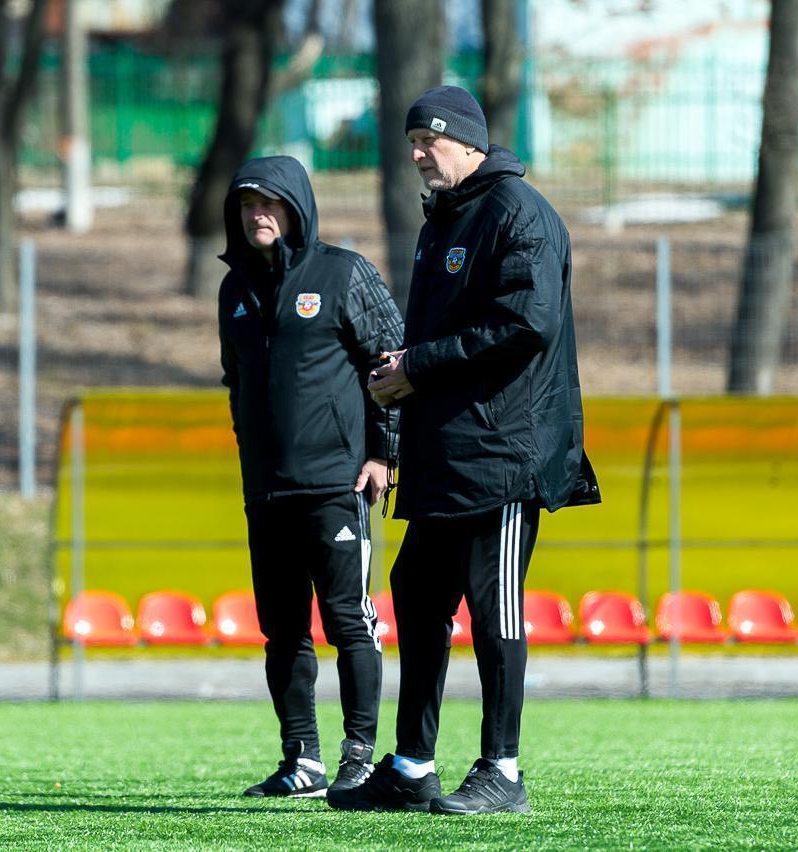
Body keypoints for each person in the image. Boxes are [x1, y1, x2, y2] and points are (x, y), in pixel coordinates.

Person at [327, 86, 601, 816]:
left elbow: (526, 325)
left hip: (504, 454)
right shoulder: (444, 217)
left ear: (471, 141)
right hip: (446, 454)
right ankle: (412, 765)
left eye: (431, 140)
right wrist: (403, 378)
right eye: (413, 142)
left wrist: (418, 365)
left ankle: (502, 771)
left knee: (495, 610)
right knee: (417, 596)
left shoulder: (518, 212)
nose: (419, 154)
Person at [217, 155, 404, 799]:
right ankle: (302, 759)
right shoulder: (234, 289)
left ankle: (359, 756)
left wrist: (383, 454)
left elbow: (392, 364)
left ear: (295, 208)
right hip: (267, 490)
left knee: (349, 620)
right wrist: (250, 457)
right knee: (282, 630)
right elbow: (236, 382)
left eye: (268, 203)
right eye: (247, 205)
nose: (257, 215)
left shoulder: (344, 273)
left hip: (337, 485)